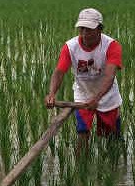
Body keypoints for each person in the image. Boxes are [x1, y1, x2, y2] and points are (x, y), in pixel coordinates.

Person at [45, 8, 123, 145]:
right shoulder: (70, 47)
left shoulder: (112, 46)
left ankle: (115, 163)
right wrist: (51, 94)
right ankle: (81, 164)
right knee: (82, 133)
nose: (85, 34)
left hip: (107, 94)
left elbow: (109, 76)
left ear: (100, 29)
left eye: (89, 29)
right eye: (82, 29)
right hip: (83, 94)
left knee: (112, 136)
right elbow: (59, 72)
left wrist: (97, 98)